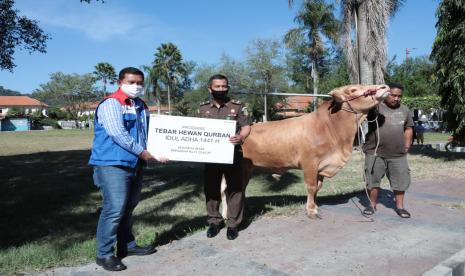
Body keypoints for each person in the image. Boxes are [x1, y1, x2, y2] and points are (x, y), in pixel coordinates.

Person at [89, 67, 167, 271]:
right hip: (112, 164)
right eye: (131, 82)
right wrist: (143, 152)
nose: (136, 86)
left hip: (135, 164)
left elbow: (149, 133)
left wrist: (163, 148)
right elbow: (118, 133)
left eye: (140, 83)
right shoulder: (111, 104)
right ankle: (104, 254)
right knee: (114, 209)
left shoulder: (140, 105)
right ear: (119, 82)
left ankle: (127, 245)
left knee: (129, 207)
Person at [198, 74, 252, 240]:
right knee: (211, 189)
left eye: (224, 86)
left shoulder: (238, 106)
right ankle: (214, 221)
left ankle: (233, 224)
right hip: (211, 156)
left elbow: (246, 126)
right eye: (217, 87)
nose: (221, 89)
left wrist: (241, 137)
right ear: (210, 89)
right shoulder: (202, 108)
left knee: (235, 189)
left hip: (233, 154)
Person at [362, 83, 414, 218]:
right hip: (375, 152)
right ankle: (371, 205)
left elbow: (409, 128)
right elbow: (361, 102)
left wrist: (407, 146)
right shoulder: (375, 107)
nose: (396, 98)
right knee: (372, 181)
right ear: (386, 94)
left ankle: (400, 207)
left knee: (400, 182)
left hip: (398, 154)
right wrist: (371, 92)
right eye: (393, 95)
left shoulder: (405, 110)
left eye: (399, 96)